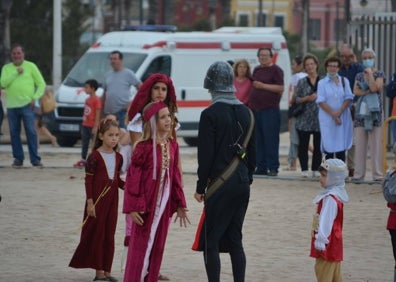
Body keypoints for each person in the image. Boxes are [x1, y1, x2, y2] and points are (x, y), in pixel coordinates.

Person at [192, 61, 256, 282]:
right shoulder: (248, 113)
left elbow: (205, 156)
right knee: (236, 239)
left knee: (212, 239)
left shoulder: (209, 114)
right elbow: (253, 155)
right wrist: (247, 178)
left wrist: (201, 187)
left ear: (211, 87)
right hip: (241, 184)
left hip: (220, 184)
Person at [123, 101, 189, 282]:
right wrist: (133, 206)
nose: (169, 120)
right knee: (140, 248)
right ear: (153, 121)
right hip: (146, 206)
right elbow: (132, 179)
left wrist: (180, 203)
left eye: (169, 116)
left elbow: (174, 177)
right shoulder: (142, 147)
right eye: (163, 117)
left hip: (164, 206)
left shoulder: (172, 145)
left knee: (157, 246)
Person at [69, 118, 125, 282]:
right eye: (110, 135)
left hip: (112, 201)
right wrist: (90, 202)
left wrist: (131, 188)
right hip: (98, 202)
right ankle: (99, 273)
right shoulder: (94, 157)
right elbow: (89, 181)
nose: (114, 138)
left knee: (110, 235)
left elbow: (117, 180)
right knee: (98, 235)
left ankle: (107, 271)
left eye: (116, 135)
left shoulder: (119, 157)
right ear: (101, 136)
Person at [0, 43, 46, 167]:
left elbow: (41, 84)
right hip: (11, 106)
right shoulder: (6, 68)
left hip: (28, 105)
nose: (16, 55)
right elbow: (3, 83)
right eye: (14, 53)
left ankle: (35, 159)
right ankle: (18, 159)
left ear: (23, 54)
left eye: (19, 53)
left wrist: (35, 98)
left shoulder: (31, 66)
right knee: (14, 133)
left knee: (31, 132)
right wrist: (16, 73)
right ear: (11, 55)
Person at [310, 158, 349, 282]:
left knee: (323, 272)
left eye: (324, 175)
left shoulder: (331, 198)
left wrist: (321, 238)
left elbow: (326, 220)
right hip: (333, 241)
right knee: (334, 275)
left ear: (335, 178)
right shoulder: (333, 195)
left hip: (327, 241)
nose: (320, 178)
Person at [249, 47, 284, 176]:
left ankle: (273, 167)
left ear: (271, 56)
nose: (263, 57)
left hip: (270, 110)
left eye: (266, 55)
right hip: (255, 110)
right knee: (258, 140)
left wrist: (263, 86)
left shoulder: (276, 70)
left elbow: (280, 88)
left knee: (271, 139)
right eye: (261, 55)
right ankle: (261, 166)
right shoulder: (257, 69)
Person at [352, 47, 385, 182]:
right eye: (364, 58)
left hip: (375, 113)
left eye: (369, 57)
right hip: (361, 113)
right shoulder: (358, 76)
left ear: (374, 59)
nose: (367, 60)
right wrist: (366, 92)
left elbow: (375, 88)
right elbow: (355, 91)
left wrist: (370, 75)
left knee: (376, 145)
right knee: (360, 145)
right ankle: (358, 174)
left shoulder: (380, 74)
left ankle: (377, 174)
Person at [317, 57, 354, 162]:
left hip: (342, 118)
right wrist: (334, 114)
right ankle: (326, 173)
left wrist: (339, 112)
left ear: (338, 68)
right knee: (327, 145)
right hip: (327, 118)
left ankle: (339, 174)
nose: (332, 68)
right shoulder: (322, 83)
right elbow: (321, 101)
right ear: (326, 67)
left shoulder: (344, 81)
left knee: (340, 146)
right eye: (330, 66)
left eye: (335, 66)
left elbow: (348, 97)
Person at [338, 44, 364, 178]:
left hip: (356, 106)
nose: (345, 58)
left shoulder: (358, 68)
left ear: (352, 56)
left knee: (353, 140)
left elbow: (363, 81)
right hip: (340, 107)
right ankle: (340, 166)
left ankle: (352, 167)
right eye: (343, 56)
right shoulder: (337, 69)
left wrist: (355, 61)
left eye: (348, 56)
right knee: (341, 138)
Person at [295, 54, 322, 178]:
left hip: (320, 117)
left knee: (318, 144)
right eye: (307, 65)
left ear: (316, 65)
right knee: (303, 144)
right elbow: (296, 99)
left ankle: (316, 168)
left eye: (312, 64)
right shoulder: (301, 81)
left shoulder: (323, 81)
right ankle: (304, 168)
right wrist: (307, 98)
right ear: (304, 67)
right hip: (304, 117)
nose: (310, 66)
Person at [102, 50, 142, 129]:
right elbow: (104, 94)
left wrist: (132, 103)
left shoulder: (128, 73)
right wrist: (101, 112)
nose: (112, 61)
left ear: (121, 60)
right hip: (108, 113)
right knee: (109, 137)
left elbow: (141, 88)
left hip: (122, 112)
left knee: (122, 136)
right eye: (111, 59)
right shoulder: (108, 75)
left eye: (115, 59)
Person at [74, 79, 102, 168]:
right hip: (85, 124)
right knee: (84, 143)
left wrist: (96, 126)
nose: (85, 89)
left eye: (87, 87)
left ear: (93, 88)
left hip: (92, 125)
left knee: (94, 144)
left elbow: (97, 113)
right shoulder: (87, 99)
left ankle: (96, 161)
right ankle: (83, 159)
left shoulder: (97, 100)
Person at [287, 55, 307, 171]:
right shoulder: (306, 76)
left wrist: (291, 104)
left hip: (296, 109)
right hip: (304, 110)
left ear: (300, 65)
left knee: (294, 137)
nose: (292, 67)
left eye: (294, 64)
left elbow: (293, 94)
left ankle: (293, 162)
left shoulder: (297, 77)